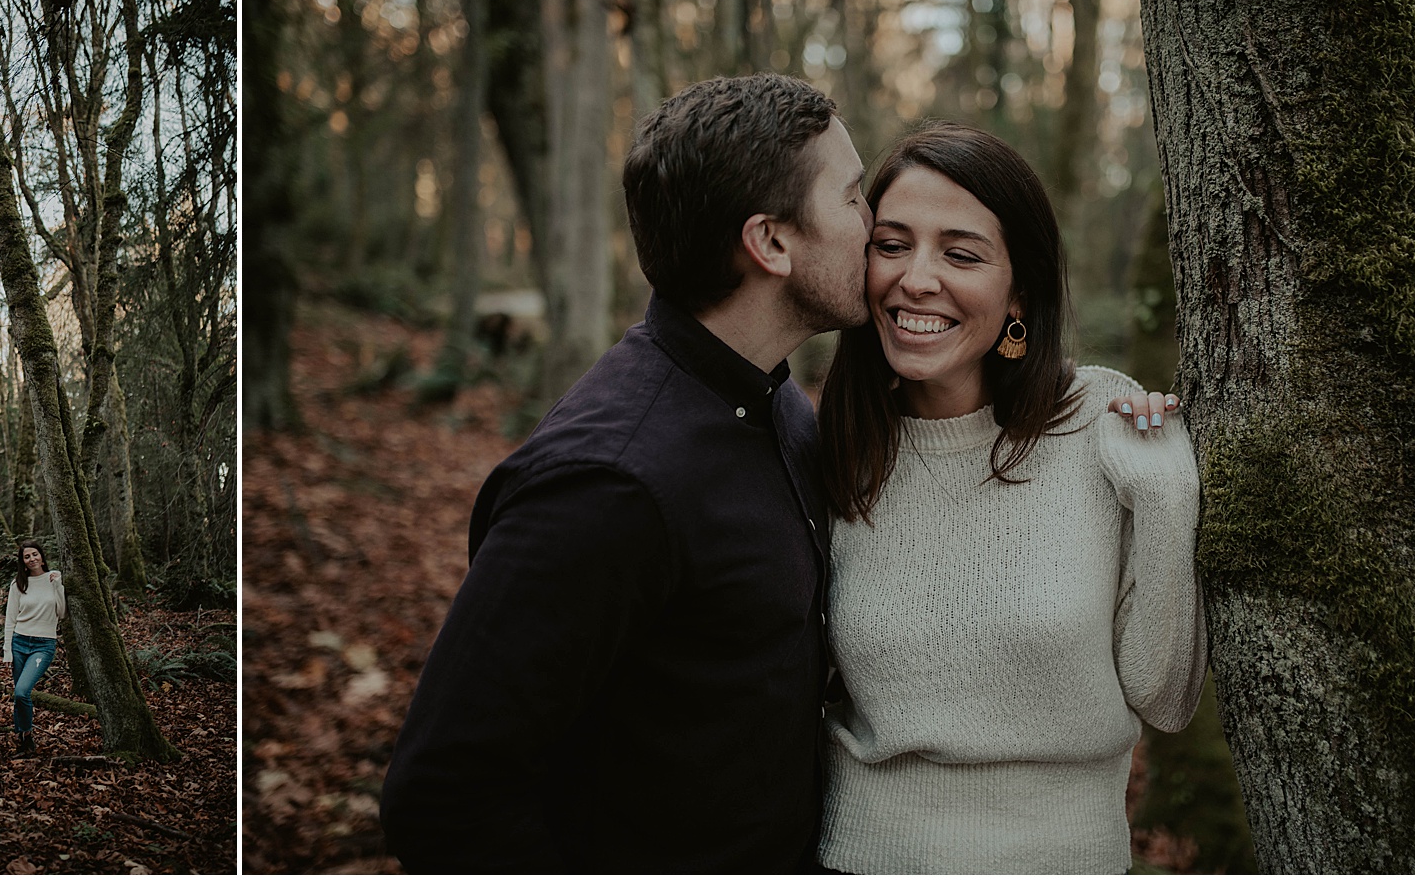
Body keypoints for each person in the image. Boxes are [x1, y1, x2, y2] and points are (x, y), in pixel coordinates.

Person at [380, 74, 872, 872]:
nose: (874, 224)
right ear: (771, 242)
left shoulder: (777, 402)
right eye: (852, 198)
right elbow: (441, 796)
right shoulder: (609, 482)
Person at [814, 122, 1204, 873]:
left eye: (960, 254)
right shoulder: (836, 447)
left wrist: (1167, 494)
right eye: (892, 245)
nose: (916, 279)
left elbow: (1165, 698)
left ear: (1020, 288)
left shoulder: (1103, 424)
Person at [3, 540, 66, 758]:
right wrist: (7, 651)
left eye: (35, 554)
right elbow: (10, 619)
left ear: (42, 556)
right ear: (23, 561)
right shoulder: (18, 584)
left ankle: (27, 735)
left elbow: (62, 613)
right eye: (27, 556)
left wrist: (58, 586)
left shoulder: (54, 578)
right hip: (19, 642)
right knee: (19, 694)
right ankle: (22, 738)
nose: (32, 559)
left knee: (22, 691)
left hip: (43, 645)